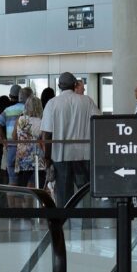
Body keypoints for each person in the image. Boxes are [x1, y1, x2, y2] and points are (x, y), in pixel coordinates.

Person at [40, 71, 96, 202]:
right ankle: (87, 215)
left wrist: (47, 157)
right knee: (85, 195)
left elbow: (47, 133)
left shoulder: (52, 103)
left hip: (61, 156)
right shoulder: (87, 101)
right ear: (75, 84)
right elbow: (98, 123)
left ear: (59, 86)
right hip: (84, 155)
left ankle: (65, 216)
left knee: (64, 197)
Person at [6, 90, 45, 187]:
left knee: (22, 184)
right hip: (37, 157)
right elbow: (44, 141)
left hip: (22, 157)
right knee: (36, 185)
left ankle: (23, 197)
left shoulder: (20, 119)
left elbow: (14, 137)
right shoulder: (42, 121)